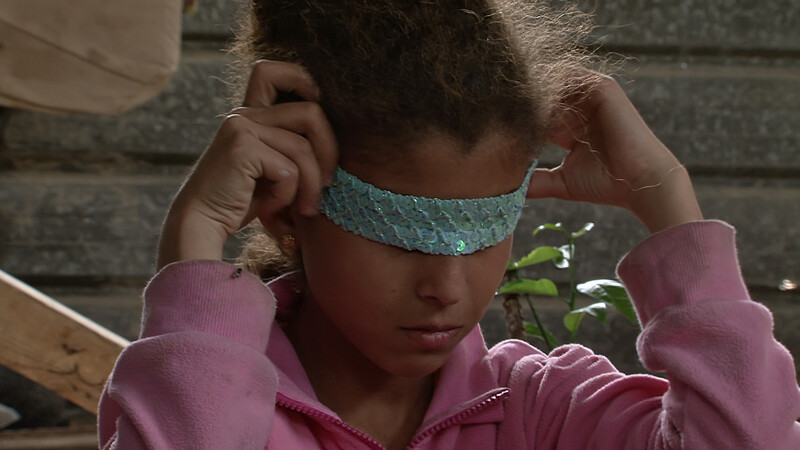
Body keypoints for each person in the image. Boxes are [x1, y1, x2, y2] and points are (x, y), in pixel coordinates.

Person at [98, 1, 800, 448]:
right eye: (401, 235)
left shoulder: (545, 413)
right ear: (285, 209)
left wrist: (667, 200)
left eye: (484, 230)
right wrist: (194, 237)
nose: (447, 287)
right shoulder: (207, 416)